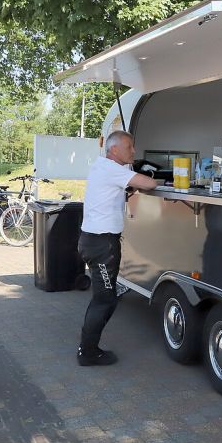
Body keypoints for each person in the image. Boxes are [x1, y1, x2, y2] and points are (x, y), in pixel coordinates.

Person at [77, 130, 158, 366]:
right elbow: (150, 183)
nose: (133, 151)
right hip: (101, 244)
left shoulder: (104, 167)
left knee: (105, 297)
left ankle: (88, 346)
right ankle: (88, 352)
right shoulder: (112, 169)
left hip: (97, 241)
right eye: (129, 146)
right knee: (105, 299)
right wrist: (142, 178)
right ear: (113, 150)